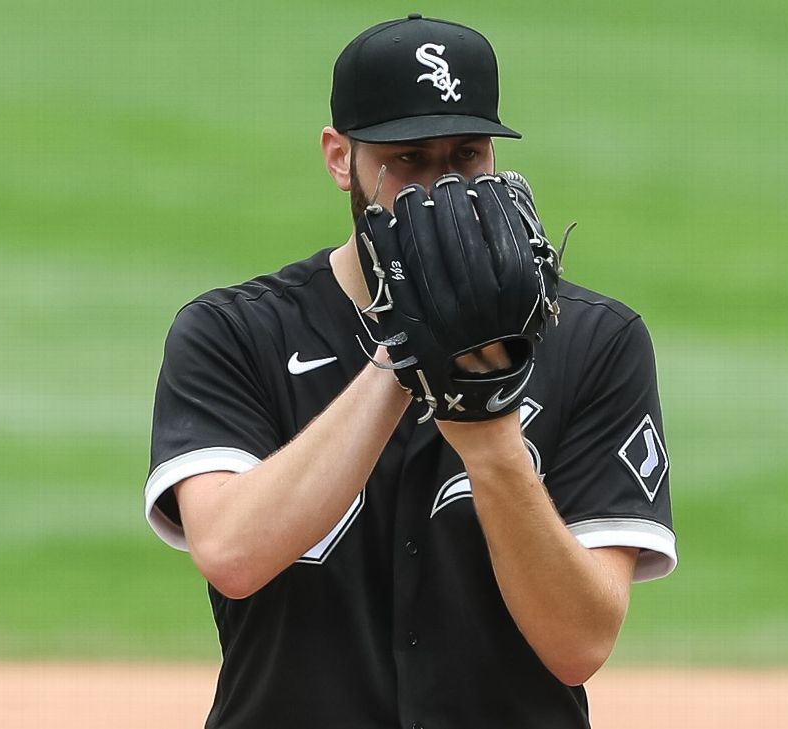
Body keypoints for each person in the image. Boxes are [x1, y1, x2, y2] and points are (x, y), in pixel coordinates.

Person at [145, 14, 677, 728]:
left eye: (464, 154)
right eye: (410, 157)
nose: (439, 187)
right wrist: (402, 355)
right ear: (341, 158)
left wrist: (491, 440)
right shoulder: (235, 333)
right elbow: (231, 552)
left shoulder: (593, 340)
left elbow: (579, 642)